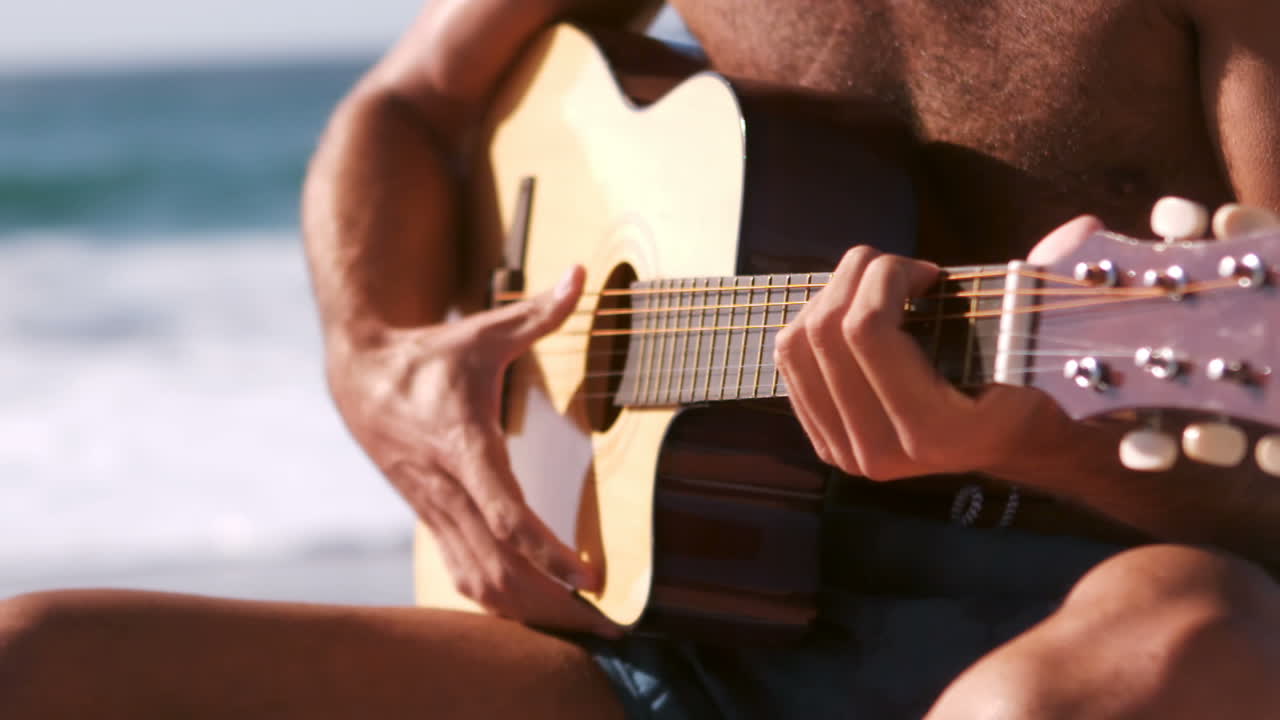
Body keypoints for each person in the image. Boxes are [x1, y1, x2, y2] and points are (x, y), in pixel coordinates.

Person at [3, 0, 1280, 717]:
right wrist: (374, 361)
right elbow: (406, 106)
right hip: (669, 613)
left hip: (1100, 591)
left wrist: (1041, 450)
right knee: (41, 661)